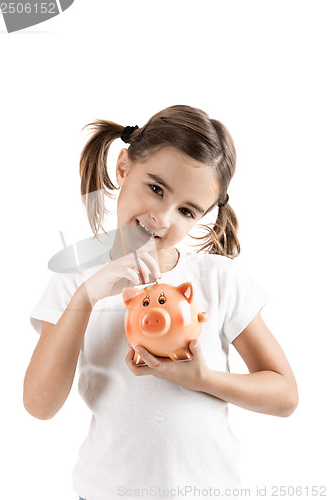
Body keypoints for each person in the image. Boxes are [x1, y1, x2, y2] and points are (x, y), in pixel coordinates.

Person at [24, 105, 298, 500]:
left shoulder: (217, 279)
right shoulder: (73, 279)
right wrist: (88, 294)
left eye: (186, 211)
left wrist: (202, 380)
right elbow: (39, 405)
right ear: (123, 167)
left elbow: (285, 395)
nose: (162, 218)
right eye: (156, 188)